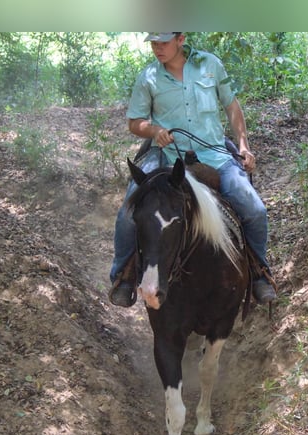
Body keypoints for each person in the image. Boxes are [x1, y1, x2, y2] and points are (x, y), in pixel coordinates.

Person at [108, 32, 277, 307]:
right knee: (128, 212)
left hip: (215, 154)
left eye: (163, 42)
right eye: (153, 43)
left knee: (254, 209)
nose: (157, 48)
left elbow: (232, 106)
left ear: (181, 39)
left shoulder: (210, 65)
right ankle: (123, 277)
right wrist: (155, 130)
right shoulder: (148, 76)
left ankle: (259, 273)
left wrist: (244, 146)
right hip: (164, 157)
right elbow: (134, 122)